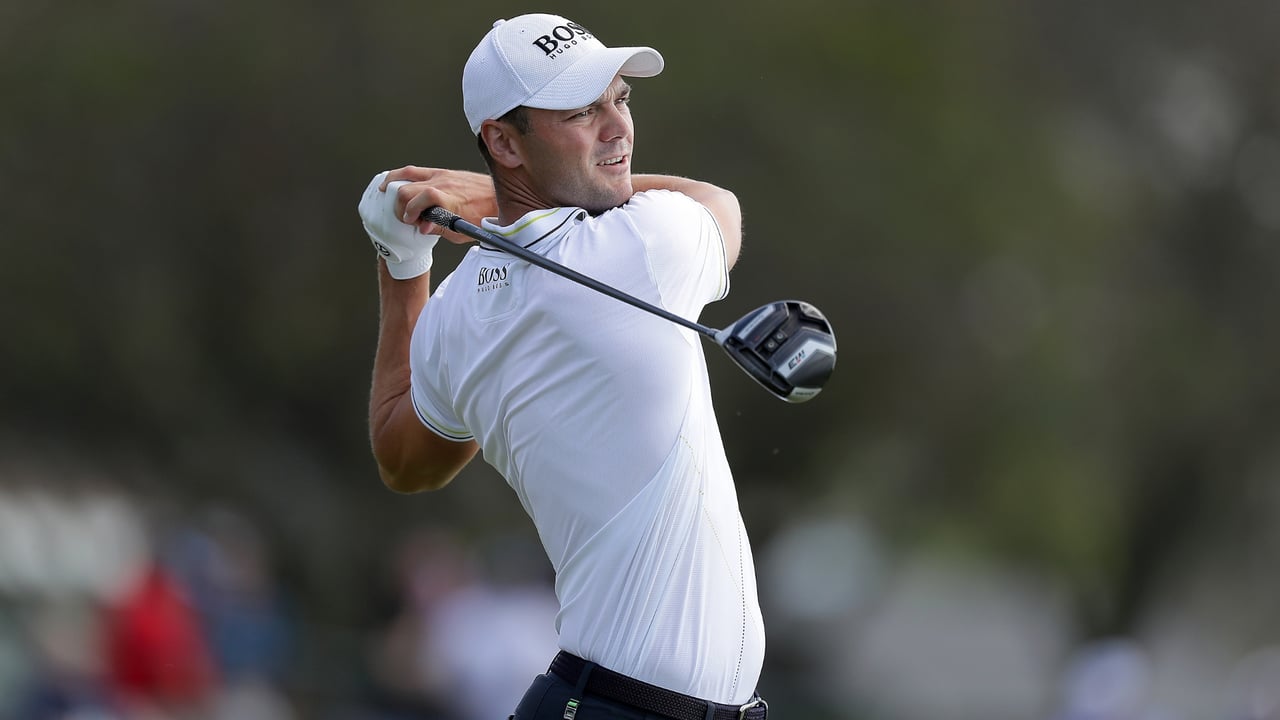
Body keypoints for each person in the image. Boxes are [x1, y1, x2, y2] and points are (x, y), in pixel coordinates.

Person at [359, 13, 768, 720]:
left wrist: (405, 263)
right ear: (501, 143)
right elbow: (718, 206)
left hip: (599, 702)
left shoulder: (452, 317)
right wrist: (485, 196)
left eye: (620, 99)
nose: (617, 127)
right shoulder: (644, 246)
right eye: (583, 111)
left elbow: (404, 458)